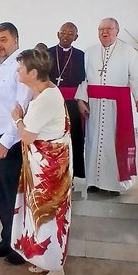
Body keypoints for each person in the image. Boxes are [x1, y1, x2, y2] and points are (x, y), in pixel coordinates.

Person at [11, 49, 71, 275]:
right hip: (41, 166)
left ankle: (56, 270)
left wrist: (17, 118)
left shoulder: (47, 98)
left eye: (21, 67)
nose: (17, 70)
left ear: (33, 73)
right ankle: (42, 259)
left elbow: (27, 136)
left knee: (49, 216)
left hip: (49, 170)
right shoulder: (42, 91)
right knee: (37, 214)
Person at [75, 17, 138, 195]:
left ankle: (114, 184)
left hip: (117, 106)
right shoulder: (90, 52)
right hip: (94, 105)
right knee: (93, 142)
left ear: (117, 31)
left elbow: (137, 77)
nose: (104, 32)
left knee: (113, 143)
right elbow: (83, 79)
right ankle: (93, 181)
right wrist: (81, 100)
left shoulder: (128, 52)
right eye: (101, 29)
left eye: (109, 29)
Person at [0, 22, 32, 265]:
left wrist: (5, 141)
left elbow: (20, 109)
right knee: (1, 195)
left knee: (13, 197)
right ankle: (7, 240)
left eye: (3, 40)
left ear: (16, 41)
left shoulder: (20, 67)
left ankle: (19, 247)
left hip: (8, 143)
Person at [47, 22, 86, 178]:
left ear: (76, 37)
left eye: (70, 34)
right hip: (51, 102)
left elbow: (83, 80)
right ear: (58, 34)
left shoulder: (81, 56)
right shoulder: (48, 53)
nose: (66, 36)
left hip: (72, 104)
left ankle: (72, 174)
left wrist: (81, 100)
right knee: (53, 137)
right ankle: (52, 173)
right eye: (63, 32)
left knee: (73, 138)